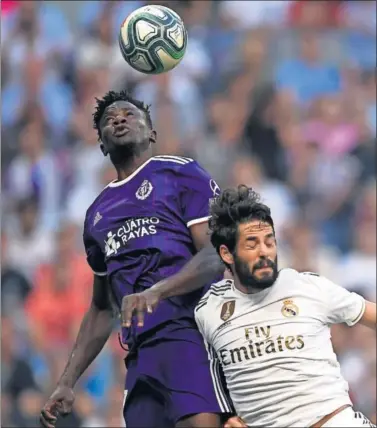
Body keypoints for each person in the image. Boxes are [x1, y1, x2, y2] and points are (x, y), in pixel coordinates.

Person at [39, 91, 244, 428]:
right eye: (109, 119)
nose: (118, 119)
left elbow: (215, 254)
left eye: (129, 114)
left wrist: (157, 292)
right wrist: (66, 381)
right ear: (102, 146)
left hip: (190, 334)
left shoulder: (180, 173)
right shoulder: (96, 216)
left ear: (151, 133)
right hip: (139, 357)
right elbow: (103, 307)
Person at [194, 185, 376, 428]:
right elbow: (209, 385)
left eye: (269, 242)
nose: (264, 252)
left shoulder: (307, 287)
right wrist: (227, 419)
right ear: (227, 253)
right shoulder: (209, 311)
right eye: (252, 244)